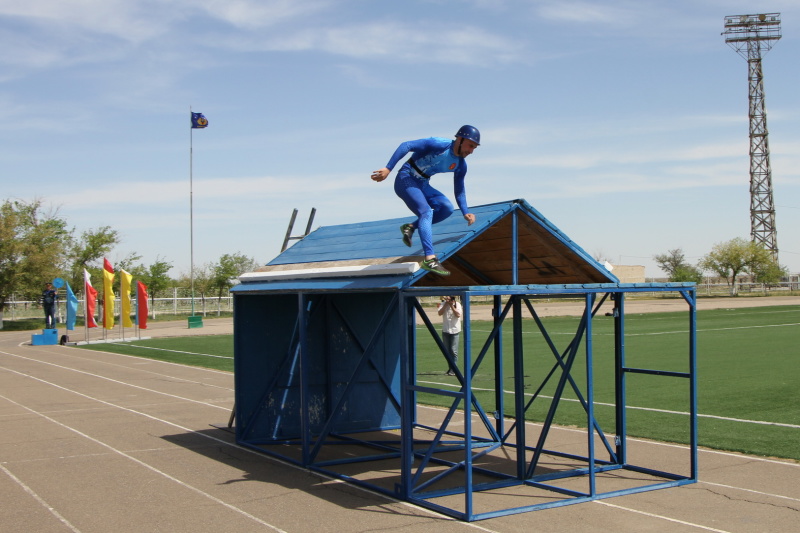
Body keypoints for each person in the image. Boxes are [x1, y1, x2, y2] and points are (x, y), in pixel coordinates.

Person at [371, 125, 480, 276]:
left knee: (447, 208)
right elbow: (406, 145)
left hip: (423, 183)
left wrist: (465, 212)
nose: (471, 151)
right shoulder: (438, 144)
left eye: (475, 148)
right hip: (406, 178)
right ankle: (430, 258)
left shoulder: (461, 165)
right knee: (426, 212)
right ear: (459, 139)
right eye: (470, 146)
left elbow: (459, 189)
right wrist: (388, 168)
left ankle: (410, 227)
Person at [438, 295, 463, 376]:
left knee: (453, 350)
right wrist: (446, 304)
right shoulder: (443, 304)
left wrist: (452, 306)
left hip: (455, 330)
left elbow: (458, 315)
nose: (447, 298)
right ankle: (450, 368)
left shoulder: (457, 304)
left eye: (448, 297)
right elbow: (439, 313)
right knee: (447, 351)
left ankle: (454, 369)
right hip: (446, 330)